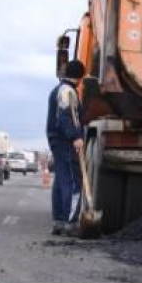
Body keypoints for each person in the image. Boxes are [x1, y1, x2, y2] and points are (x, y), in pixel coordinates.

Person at [46, 59, 85, 236]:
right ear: (80, 77)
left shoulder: (58, 89)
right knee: (73, 180)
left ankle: (59, 221)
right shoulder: (68, 91)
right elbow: (65, 116)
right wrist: (75, 136)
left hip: (56, 139)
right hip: (65, 141)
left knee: (61, 181)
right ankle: (70, 223)